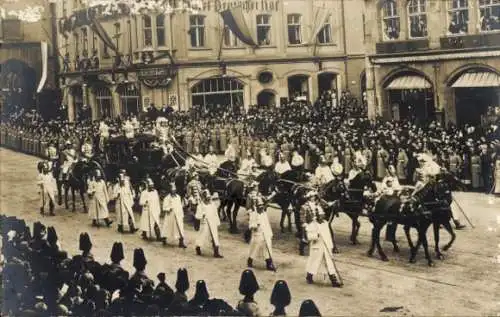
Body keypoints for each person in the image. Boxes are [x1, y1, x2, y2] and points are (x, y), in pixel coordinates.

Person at [304, 209, 343, 287]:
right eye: (321, 215)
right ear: (317, 216)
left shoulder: (326, 224)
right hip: (317, 247)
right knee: (314, 263)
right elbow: (309, 237)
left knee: (330, 263)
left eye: (323, 215)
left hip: (326, 247)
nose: (322, 216)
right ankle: (309, 276)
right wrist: (316, 235)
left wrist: (331, 246)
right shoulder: (312, 224)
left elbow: (328, 236)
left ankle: (334, 280)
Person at [247, 195, 276, 271]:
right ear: (256, 206)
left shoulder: (264, 214)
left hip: (266, 233)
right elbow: (250, 226)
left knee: (267, 247)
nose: (261, 207)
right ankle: (250, 260)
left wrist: (269, 233)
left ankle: (268, 263)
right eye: (259, 205)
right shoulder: (253, 214)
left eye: (262, 205)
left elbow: (267, 224)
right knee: (255, 248)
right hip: (258, 234)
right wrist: (256, 225)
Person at [195, 190, 223, 258]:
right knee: (202, 236)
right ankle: (198, 247)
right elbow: (197, 215)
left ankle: (216, 252)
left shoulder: (212, 204)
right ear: (204, 198)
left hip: (212, 222)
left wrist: (217, 222)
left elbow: (215, 214)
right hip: (205, 223)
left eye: (209, 197)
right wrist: (202, 215)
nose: (208, 199)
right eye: (207, 197)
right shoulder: (201, 205)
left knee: (214, 237)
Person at [161, 183, 187, 248]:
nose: (173, 191)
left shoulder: (178, 197)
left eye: (174, 190)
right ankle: (164, 238)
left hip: (178, 215)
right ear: (170, 190)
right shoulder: (167, 198)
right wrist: (168, 208)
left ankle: (181, 242)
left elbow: (180, 206)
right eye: (172, 190)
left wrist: (181, 215)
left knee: (180, 228)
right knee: (167, 228)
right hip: (170, 215)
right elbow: (164, 207)